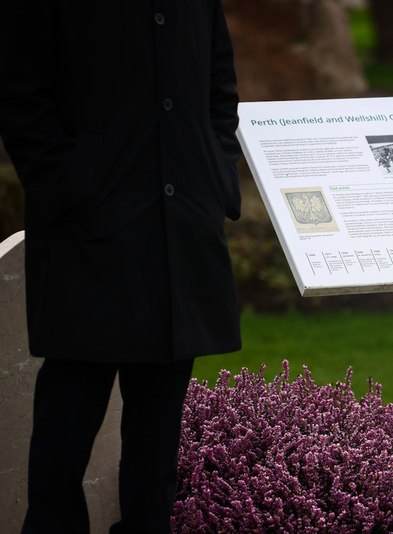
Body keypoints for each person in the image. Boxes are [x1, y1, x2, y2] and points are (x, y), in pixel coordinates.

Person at [0, 1, 242, 533]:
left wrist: (216, 174)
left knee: (158, 440)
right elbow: (19, 92)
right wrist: (69, 186)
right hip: (86, 233)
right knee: (68, 417)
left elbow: (219, 89)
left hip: (179, 230)